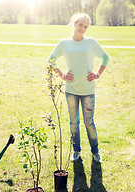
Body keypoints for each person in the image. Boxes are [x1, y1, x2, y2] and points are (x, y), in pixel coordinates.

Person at [48, 13, 109, 163]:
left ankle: (95, 152)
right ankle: (76, 151)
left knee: (89, 122)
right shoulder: (64, 44)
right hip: (71, 91)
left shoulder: (91, 43)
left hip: (88, 90)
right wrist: (62, 75)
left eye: (86, 26)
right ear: (74, 24)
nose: (83, 28)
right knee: (74, 122)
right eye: (80, 24)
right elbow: (51, 60)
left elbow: (105, 57)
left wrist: (97, 74)